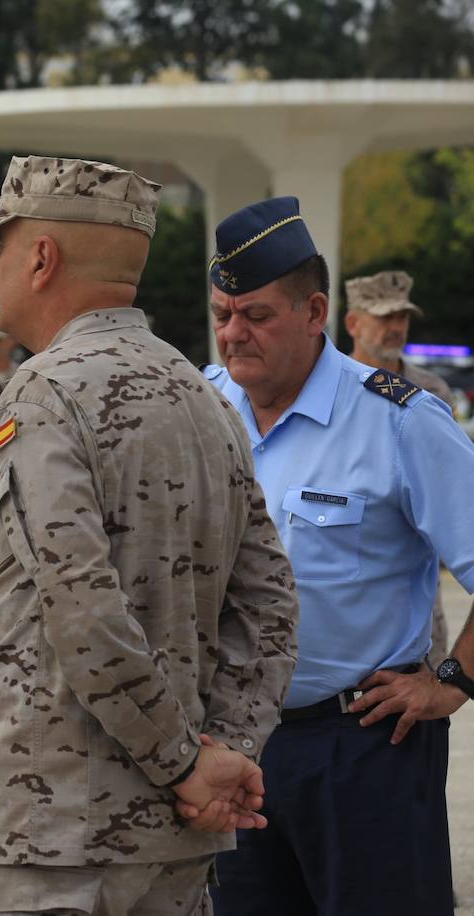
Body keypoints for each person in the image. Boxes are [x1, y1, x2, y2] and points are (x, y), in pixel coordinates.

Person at [0, 156, 300, 915]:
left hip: (61, 850)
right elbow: (270, 606)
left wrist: (184, 767)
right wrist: (223, 757)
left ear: (41, 258)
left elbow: (82, 609)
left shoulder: (42, 392)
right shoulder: (207, 399)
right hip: (173, 845)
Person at [204, 198, 474, 916]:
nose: (234, 334)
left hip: (363, 750)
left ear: (316, 310)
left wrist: (453, 680)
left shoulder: (396, 418)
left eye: (257, 315)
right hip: (233, 751)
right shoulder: (203, 408)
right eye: (223, 313)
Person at [343, 269, 454, 662]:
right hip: (351, 576)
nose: (396, 327)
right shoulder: (332, 388)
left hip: (416, 585)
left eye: (402, 317)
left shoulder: (432, 391)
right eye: (385, 316)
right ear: (353, 323)